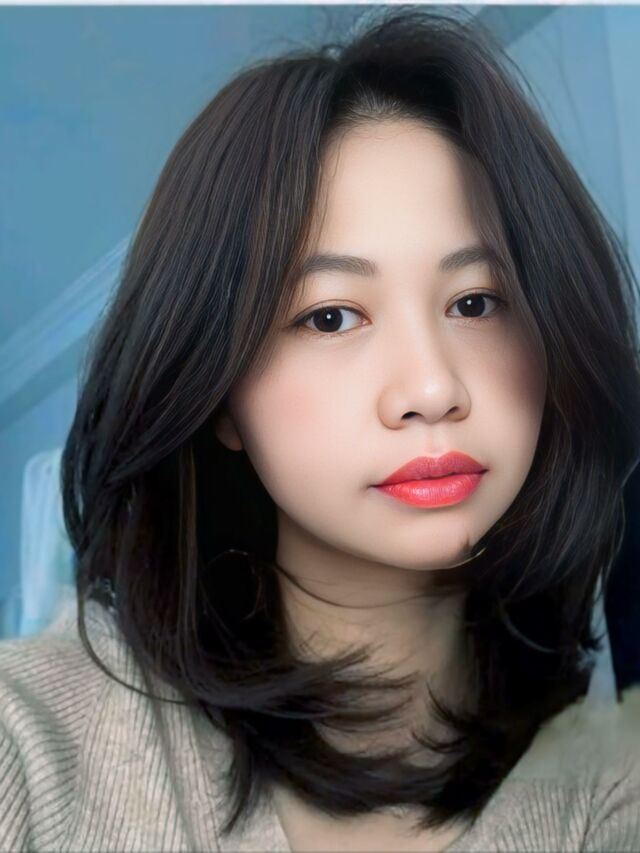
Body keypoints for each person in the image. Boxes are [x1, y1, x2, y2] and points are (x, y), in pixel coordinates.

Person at [1, 6, 640, 852]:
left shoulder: (611, 784)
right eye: (331, 316)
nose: (431, 388)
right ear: (220, 392)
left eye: (476, 302)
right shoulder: (32, 744)